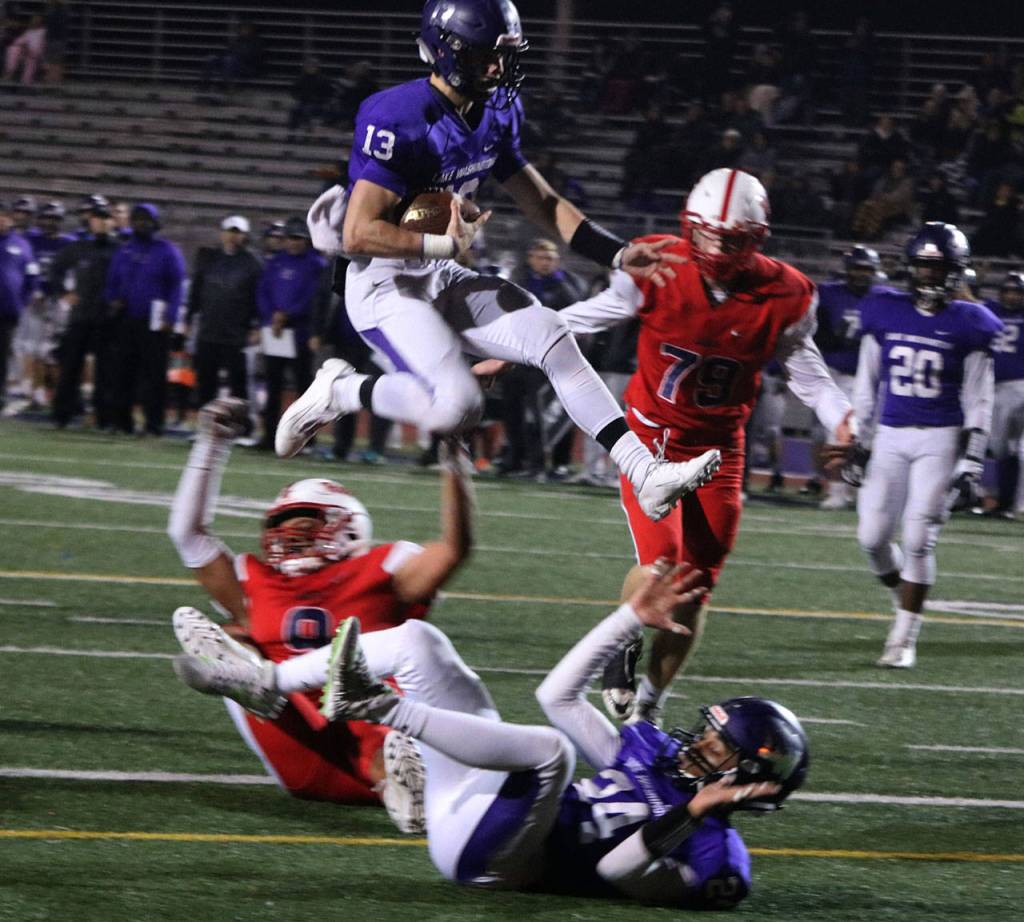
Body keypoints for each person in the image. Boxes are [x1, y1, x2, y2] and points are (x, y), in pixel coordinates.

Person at [294, 0, 721, 524]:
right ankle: (341, 389)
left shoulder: (496, 110)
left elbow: (540, 201)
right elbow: (358, 234)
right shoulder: (398, 115)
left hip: (440, 272)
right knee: (458, 407)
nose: (498, 68)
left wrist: (616, 252)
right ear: (450, 51)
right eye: (486, 56)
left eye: (504, 54)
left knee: (551, 336)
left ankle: (645, 473)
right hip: (384, 286)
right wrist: (439, 245)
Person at [173, 560, 807, 907]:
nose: (697, 744)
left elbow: (618, 872)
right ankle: (271, 684)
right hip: (484, 803)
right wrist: (628, 618)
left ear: (748, 780)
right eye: (708, 732)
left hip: (495, 860)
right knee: (421, 644)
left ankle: (379, 710)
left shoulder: (719, 858)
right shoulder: (663, 761)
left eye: (717, 747)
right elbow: (556, 696)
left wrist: (693, 813)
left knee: (550, 755)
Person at [553, 168, 855, 724]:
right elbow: (590, 316)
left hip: (720, 450)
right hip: (650, 438)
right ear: (688, 226)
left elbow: (806, 373)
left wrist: (843, 419)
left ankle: (650, 709)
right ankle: (622, 642)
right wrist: (521, 343)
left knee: (694, 589)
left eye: (730, 238)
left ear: (756, 237)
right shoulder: (658, 264)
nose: (714, 247)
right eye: (706, 234)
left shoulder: (787, 293)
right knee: (662, 562)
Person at [166, 397, 475, 830]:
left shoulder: (383, 568)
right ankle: (256, 684)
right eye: (282, 527)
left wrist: (452, 456)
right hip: (295, 739)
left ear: (347, 526)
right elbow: (187, 534)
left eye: (305, 525)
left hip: (382, 741)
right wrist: (211, 443)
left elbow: (454, 548)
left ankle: (400, 790)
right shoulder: (256, 581)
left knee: (373, 701)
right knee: (234, 635)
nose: (289, 537)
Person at [839, 223, 1003, 668]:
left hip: (941, 436)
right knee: (872, 537)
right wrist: (859, 439)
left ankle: (903, 637)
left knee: (917, 537)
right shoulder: (884, 309)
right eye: (923, 266)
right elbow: (868, 384)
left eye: (938, 267)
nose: (929, 275)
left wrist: (971, 461)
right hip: (891, 432)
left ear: (956, 270)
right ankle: (904, 596)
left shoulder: (971, 322)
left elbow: (978, 398)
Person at [810, 245, 885, 509]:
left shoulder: (883, 298)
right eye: (857, 268)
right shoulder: (829, 294)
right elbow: (814, 330)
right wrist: (832, 338)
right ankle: (835, 488)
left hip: (866, 377)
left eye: (866, 269)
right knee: (830, 433)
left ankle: (843, 491)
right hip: (832, 373)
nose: (861, 274)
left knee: (857, 433)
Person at [104, 203, 186, 435]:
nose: (141, 223)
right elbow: (111, 283)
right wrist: (113, 299)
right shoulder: (124, 250)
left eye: (146, 219)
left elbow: (177, 286)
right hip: (127, 320)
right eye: (137, 218)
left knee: (154, 376)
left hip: (156, 324)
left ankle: (153, 424)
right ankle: (122, 422)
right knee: (123, 373)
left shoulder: (167, 250)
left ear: (155, 222)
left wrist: (171, 316)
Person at [256, 215, 329, 450]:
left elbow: (314, 297)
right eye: (290, 238)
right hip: (276, 332)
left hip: (300, 332)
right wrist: (271, 316)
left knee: (303, 387)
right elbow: (263, 292)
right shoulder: (275, 262)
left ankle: (306, 438)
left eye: (298, 238)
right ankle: (269, 436)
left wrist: (286, 314)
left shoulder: (315, 264)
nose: (293, 242)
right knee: (273, 384)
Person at [49, 197, 121, 429]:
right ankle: (62, 415)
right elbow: (56, 270)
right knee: (71, 367)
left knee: (106, 372)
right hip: (80, 316)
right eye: (97, 218)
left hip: (107, 319)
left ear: (112, 222)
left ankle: (104, 418)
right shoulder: (79, 247)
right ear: (91, 221)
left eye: (105, 218)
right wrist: (63, 292)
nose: (101, 223)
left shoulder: (120, 249)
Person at [186, 214, 262, 408]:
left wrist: (256, 326)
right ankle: (207, 429)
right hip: (208, 329)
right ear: (222, 233)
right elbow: (196, 290)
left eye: (237, 233)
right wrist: (188, 319)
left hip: (237, 333)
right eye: (229, 231)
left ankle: (240, 429)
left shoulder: (252, 263)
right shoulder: (208, 258)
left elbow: (258, 297)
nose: (232, 236)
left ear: (244, 236)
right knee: (206, 383)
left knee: (238, 384)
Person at [980, 271, 1024, 517]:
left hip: (1018, 385)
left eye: (1016, 292)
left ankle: (1013, 503)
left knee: (1014, 448)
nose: (1011, 296)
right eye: (1007, 291)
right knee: (1000, 448)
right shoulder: (989, 309)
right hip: (992, 387)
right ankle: (1002, 501)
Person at [0, 199, 38, 411]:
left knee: (3, 354)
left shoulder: (22, 244)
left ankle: (1, 394)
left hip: (7, 310)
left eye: (4, 216)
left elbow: (32, 276)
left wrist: (22, 301)